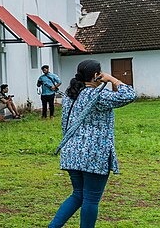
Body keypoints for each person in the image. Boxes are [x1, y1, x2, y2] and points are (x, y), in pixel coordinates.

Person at [49, 59, 136, 228]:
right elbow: (130, 95)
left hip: (71, 152)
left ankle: (53, 226)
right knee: (91, 199)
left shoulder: (70, 95)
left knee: (78, 195)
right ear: (96, 75)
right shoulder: (98, 95)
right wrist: (112, 79)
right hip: (94, 154)